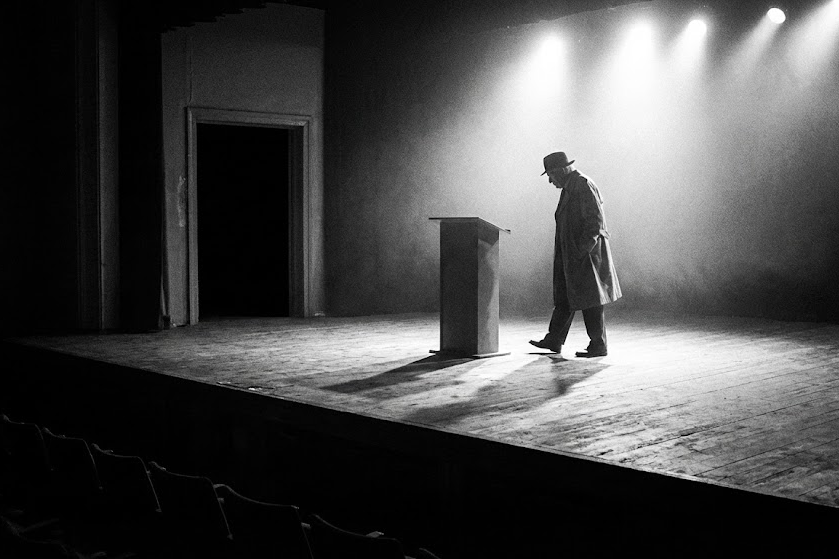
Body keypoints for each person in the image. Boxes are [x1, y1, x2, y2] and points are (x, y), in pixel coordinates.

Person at [529, 152, 622, 357]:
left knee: (591, 300)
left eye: (551, 175)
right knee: (565, 297)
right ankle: (554, 339)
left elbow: (594, 222)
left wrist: (581, 250)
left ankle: (598, 344)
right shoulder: (571, 186)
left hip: (584, 255)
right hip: (572, 254)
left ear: (561, 171)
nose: (550, 181)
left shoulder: (582, 184)